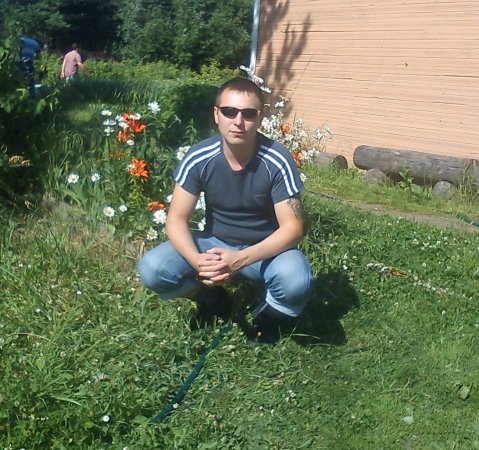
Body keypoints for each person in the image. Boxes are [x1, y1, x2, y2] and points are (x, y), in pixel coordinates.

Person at [138, 77, 314, 344]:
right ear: (216, 114)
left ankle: (268, 317)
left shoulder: (277, 159)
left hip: (264, 251)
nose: (238, 121)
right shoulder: (199, 157)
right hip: (215, 244)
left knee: (295, 281)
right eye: (229, 111)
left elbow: (293, 229)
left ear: (260, 117)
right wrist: (198, 262)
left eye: (249, 113)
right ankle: (211, 298)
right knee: (153, 268)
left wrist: (239, 260)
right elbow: (176, 220)